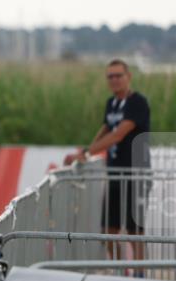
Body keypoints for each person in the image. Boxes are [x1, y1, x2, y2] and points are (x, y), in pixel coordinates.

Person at [64, 59, 151, 260]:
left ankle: (140, 274)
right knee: (107, 231)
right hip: (115, 175)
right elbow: (105, 129)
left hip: (136, 176)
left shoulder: (137, 102)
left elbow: (118, 134)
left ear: (128, 77)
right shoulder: (111, 103)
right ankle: (120, 271)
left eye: (118, 75)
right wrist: (85, 152)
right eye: (110, 76)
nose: (114, 80)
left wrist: (87, 153)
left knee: (134, 232)